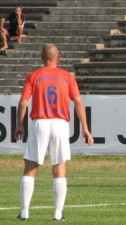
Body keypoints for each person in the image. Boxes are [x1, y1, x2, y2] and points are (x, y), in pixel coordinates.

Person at [14, 44, 94, 221]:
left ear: (41, 57)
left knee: (30, 168)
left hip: (39, 123)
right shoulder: (67, 77)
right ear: (59, 57)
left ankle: (25, 211)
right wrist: (86, 129)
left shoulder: (34, 76)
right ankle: (58, 213)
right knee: (59, 167)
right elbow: (78, 103)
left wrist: (20, 124)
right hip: (60, 124)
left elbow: (22, 103)